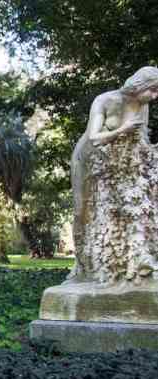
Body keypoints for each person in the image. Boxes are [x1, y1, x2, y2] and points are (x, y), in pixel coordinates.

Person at [68, 66, 158, 284]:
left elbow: (140, 142)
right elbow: (94, 137)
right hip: (88, 160)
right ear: (140, 85)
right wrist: (122, 129)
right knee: (82, 211)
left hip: (115, 163)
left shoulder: (142, 105)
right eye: (153, 90)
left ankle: (124, 266)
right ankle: (81, 269)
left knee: (121, 209)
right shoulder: (105, 100)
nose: (155, 96)